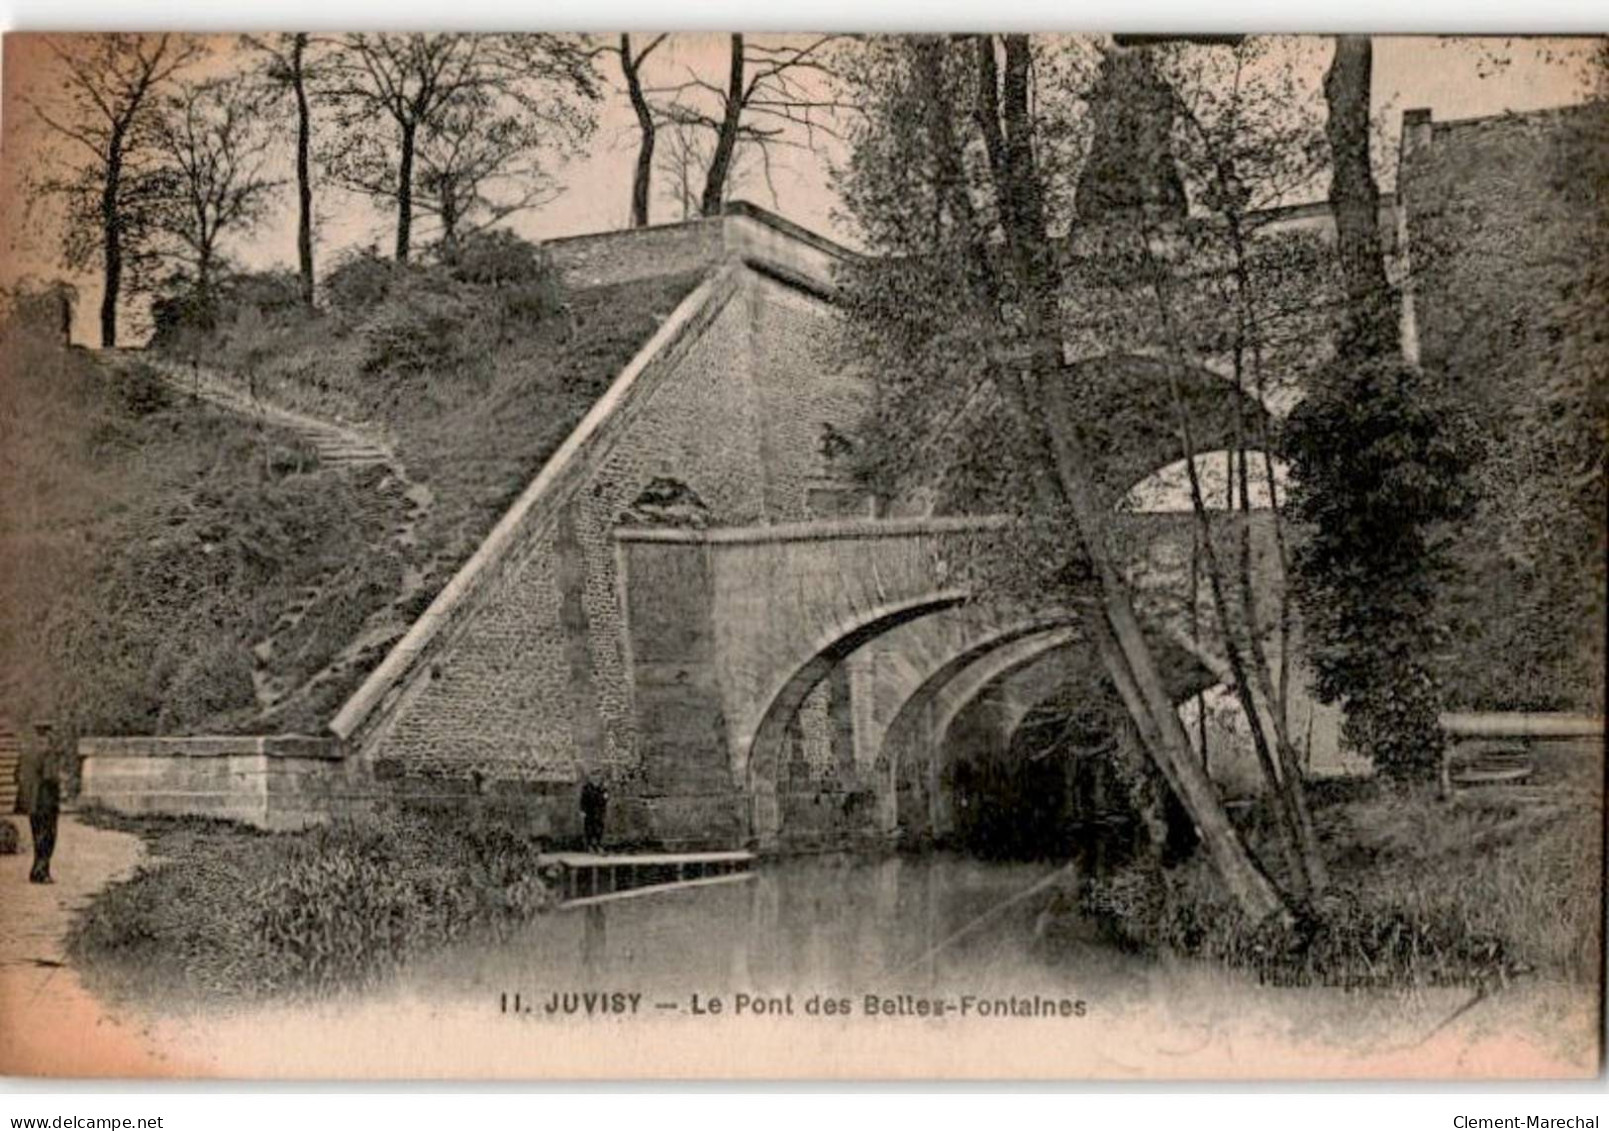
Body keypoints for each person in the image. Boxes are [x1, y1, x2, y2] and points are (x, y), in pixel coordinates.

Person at [28, 726, 61, 884]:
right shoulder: (48, 755)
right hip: (46, 802)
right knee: (48, 837)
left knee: (37, 837)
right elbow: (50, 777)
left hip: (32, 802)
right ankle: (42, 872)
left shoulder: (28, 754)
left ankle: (35, 870)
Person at [579, 774, 608, 853]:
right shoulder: (587, 788)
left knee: (599, 828)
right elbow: (583, 801)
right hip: (589, 811)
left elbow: (605, 800)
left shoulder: (602, 789)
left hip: (599, 811)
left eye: (598, 779)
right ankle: (589, 845)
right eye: (594, 779)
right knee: (589, 828)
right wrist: (582, 810)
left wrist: (604, 798)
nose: (596, 781)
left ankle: (598, 845)